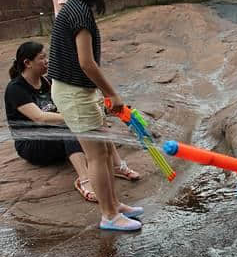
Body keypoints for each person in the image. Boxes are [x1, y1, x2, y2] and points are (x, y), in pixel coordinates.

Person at [48, 0, 142, 231]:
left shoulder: (77, 7)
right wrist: (112, 93)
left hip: (77, 91)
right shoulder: (80, 13)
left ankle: (114, 204)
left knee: (101, 150)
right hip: (74, 93)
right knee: (97, 156)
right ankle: (109, 215)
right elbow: (86, 62)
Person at [4, 41, 140, 203]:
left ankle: (117, 165)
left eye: (47, 56)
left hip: (54, 136)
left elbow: (70, 105)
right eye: (42, 58)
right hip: (32, 144)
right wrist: (76, 116)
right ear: (27, 63)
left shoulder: (47, 82)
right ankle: (85, 179)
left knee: (95, 119)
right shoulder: (15, 89)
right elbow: (39, 117)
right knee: (71, 126)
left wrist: (102, 108)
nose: (47, 61)